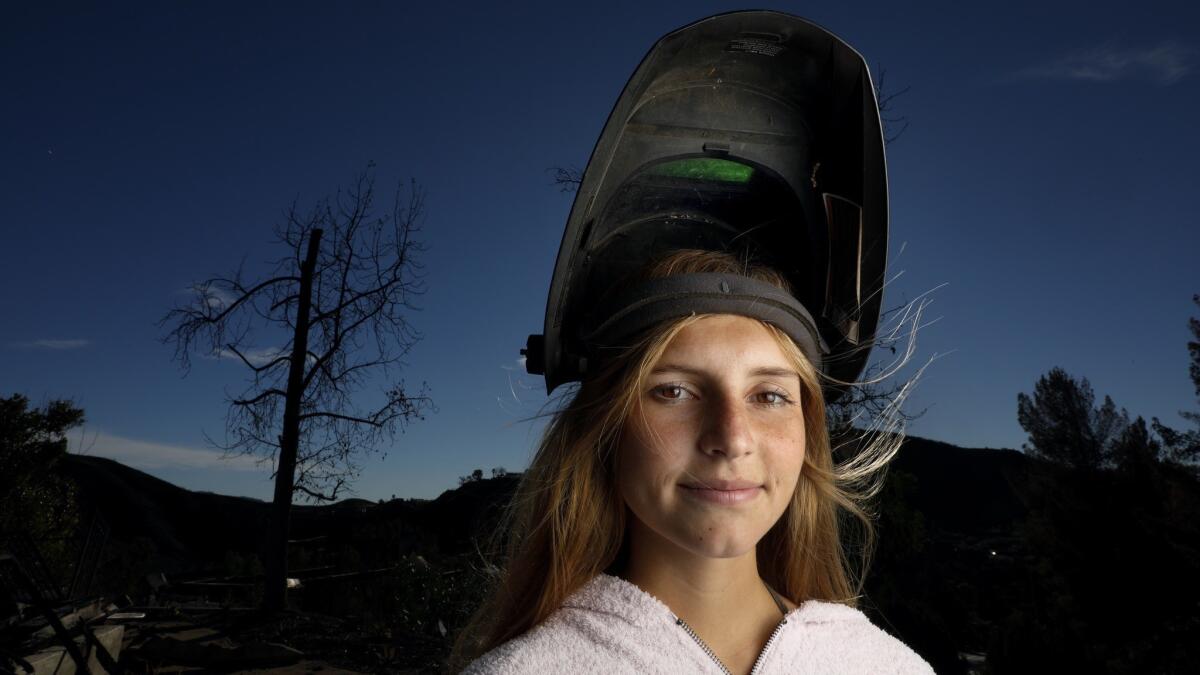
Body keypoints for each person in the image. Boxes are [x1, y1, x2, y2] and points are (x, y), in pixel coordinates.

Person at [449, 249, 934, 674]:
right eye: (674, 391)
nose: (732, 438)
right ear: (606, 428)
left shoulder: (887, 666)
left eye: (769, 395)